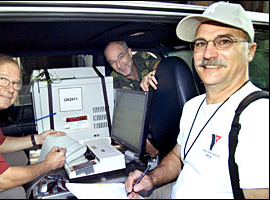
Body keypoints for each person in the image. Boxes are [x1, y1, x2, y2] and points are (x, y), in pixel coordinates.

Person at [125, 2, 269, 199]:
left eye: (224, 41)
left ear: (250, 51)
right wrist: (151, 178)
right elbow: (178, 157)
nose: (208, 54)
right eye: (201, 43)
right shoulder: (193, 106)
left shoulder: (258, 117)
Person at [0, 54, 68, 199]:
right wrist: (49, 164)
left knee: (17, 157)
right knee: (14, 192)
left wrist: (38, 139)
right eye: (3, 80)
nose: (11, 89)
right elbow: (0, 182)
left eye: (16, 83)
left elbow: (1, 144)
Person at [104, 40, 161, 158]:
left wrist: (156, 73)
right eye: (113, 62)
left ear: (129, 52)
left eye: (121, 57)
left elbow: (162, 66)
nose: (119, 65)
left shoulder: (141, 58)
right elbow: (124, 122)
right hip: (142, 131)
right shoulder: (113, 83)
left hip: (162, 116)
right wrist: (147, 147)